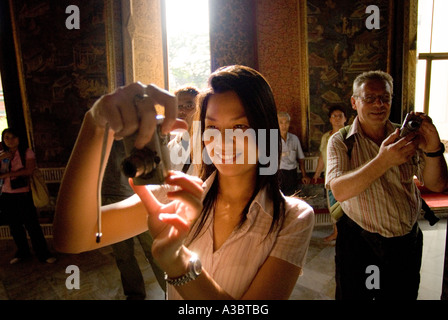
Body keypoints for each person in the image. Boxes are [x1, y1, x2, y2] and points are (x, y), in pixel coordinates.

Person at [53, 65, 315, 300]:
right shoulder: (177, 195)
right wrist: (96, 124)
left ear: (265, 130)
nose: (222, 142)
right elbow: (73, 238)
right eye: (213, 127)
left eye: (240, 128)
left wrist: (179, 264)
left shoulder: (292, 218)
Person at [326, 70, 448, 300]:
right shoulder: (341, 141)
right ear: (354, 102)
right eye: (369, 98)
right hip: (361, 243)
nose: (379, 104)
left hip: (406, 242)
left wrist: (433, 148)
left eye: (385, 98)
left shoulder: (406, 137)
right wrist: (384, 161)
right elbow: (339, 190)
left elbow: (438, 184)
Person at [104, 140, 166, 299]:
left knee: (155, 250)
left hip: (138, 196)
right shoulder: (100, 129)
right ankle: (134, 295)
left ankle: (171, 290)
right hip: (110, 196)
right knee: (123, 255)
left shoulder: (135, 129)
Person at [0, 128, 56, 264]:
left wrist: (8, 175)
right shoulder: (2, 154)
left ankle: (43, 253)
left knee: (32, 225)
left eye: (13, 137)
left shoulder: (26, 152)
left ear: (19, 138)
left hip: (23, 193)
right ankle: (22, 252)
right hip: (6, 194)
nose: (10, 140)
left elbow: (29, 170)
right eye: (6, 137)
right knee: (14, 226)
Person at [312, 105, 347, 242]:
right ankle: (336, 232)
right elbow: (322, 156)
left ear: (345, 118)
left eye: (340, 116)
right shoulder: (326, 137)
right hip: (330, 178)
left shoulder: (349, 135)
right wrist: (316, 173)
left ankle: (347, 234)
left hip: (346, 176)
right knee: (333, 205)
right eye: (334, 116)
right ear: (330, 119)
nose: (337, 119)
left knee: (348, 205)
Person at [168, 86, 199, 174]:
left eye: (189, 106)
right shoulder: (171, 145)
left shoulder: (208, 144)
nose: (181, 111)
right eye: (178, 106)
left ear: (200, 109)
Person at [278, 111, 311, 196]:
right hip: (278, 173)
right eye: (281, 123)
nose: (284, 126)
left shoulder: (294, 138)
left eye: (286, 122)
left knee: (292, 198)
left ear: (289, 123)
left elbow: (300, 158)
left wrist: (304, 175)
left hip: (292, 174)